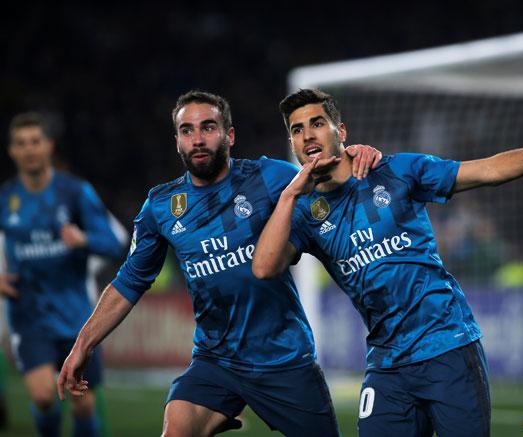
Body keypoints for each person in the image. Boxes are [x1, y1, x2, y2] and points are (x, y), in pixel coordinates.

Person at [252, 89, 523, 436]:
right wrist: (289, 195)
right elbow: (265, 267)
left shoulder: (398, 172)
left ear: (340, 131)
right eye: (297, 130)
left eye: (316, 123)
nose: (307, 135)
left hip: (447, 345)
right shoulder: (303, 213)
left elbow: (487, 170)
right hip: (387, 362)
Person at [57, 90, 381, 436]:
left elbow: (329, 178)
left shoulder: (269, 177)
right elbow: (129, 282)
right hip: (216, 360)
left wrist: (357, 153)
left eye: (208, 128)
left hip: (284, 360)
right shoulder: (162, 207)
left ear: (229, 135)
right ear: (177, 140)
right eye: (187, 130)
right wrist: (83, 344)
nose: (197, 139)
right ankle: (216, 412)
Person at [0, 112, 128, 436]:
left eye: (35, 142)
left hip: (76, 316)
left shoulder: (75, 192)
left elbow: (115, 242)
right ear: (11, 150)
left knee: (83, 405)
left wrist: (84, 239)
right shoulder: (5, 199)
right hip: (28, 314)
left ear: (48, 146)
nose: (29, 149)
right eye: (21, 143)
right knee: (44, 397)